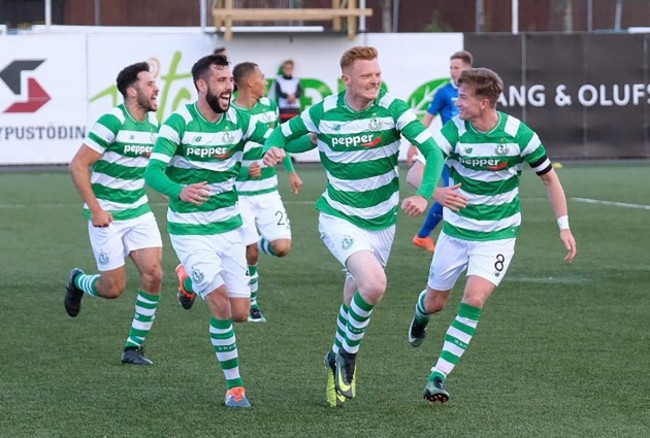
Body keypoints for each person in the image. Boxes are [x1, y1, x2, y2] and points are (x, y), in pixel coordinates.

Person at [263, 46, 448, 408]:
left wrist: (425, 195)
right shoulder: (324, 111)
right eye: (367, 76)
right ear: (347, 79)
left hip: (381, 221)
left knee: (354, 296)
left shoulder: (394, 108)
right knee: (375, 284)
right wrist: (273, 149)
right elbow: (280, 135)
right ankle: (347, 357)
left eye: (378, 74)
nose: (375, 81)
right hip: (339, 216)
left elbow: (434, 153)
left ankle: (335, 354)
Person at [406, 67, 577, 405]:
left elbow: (549, 180)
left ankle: (437, 375)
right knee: (435, 302)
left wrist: (564, 226)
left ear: (484, 102)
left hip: (498, 235)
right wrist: (437, 195)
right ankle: (421, 314)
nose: (457, 102)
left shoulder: (520, 135)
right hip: (455, 233)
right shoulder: (453, 131)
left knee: (474, 299)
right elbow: (415, 170)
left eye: (463, 97)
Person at [144, 53, 270, 408]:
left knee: (240, 312)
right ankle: (235, 388)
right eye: (221, 81)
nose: (229, 86)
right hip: (190, 228)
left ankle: (186, 280)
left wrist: (273, 154)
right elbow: (152, 174)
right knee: (219, 304)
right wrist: (179, 190)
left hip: (229, 225)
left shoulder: (241, 121)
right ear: (202, 85)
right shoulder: (179, 122)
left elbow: (274, 138)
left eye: (230, 80)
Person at [65, 61, 163, 366]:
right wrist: (96, 209)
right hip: (107, 213)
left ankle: (134, 346)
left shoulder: (153, 127)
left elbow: (152, 171)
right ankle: (78, 281)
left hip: (139, 210)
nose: (156, 88)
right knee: (113, 289)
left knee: (154, 275)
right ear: (132, 91)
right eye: (149, 84)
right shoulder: (112, 121)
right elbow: (78, 165)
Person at [231, 61, 302, 322]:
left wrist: (290, 170)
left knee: (282, 247)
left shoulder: (270, 107)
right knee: (250, 254)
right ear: (249, 82)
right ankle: (252, 303)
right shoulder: (231, 115)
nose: (266, 81)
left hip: (268, 191)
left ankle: (256, 243)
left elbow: (278, 141)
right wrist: (244, 170)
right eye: (262, 77)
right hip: (239, 195)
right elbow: (222, 160)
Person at [407, 50, 473, 252]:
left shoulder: (474, 93)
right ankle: (423, 235)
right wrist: (414, 145)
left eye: (457, 68)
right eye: (451, 68)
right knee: (450, 191)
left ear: (468, 69)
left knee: (463, 192)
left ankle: (428, 235)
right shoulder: (444, 92)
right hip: (448, 151)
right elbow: (428, 118)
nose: (453, 72)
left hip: (468, 152)